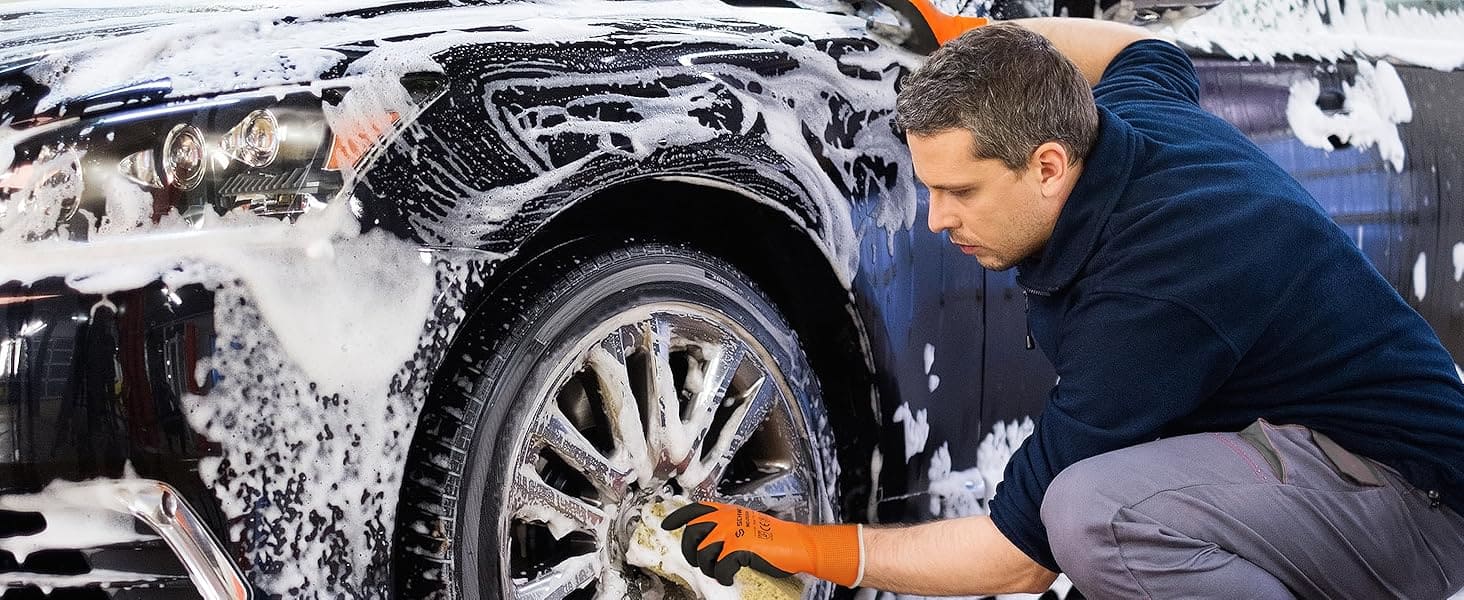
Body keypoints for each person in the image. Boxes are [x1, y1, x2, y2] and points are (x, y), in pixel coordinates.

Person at [660, 17, 1464, 599]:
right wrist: (984, 38)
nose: (938, 219)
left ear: (1048, 165)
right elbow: (1143, 48)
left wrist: (801, 545)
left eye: (960, 191)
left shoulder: (1150, 293)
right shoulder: (1130, 120)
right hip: (1328, 455)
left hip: (1416, 506)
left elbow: (1018, 558)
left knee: (1091, 515)